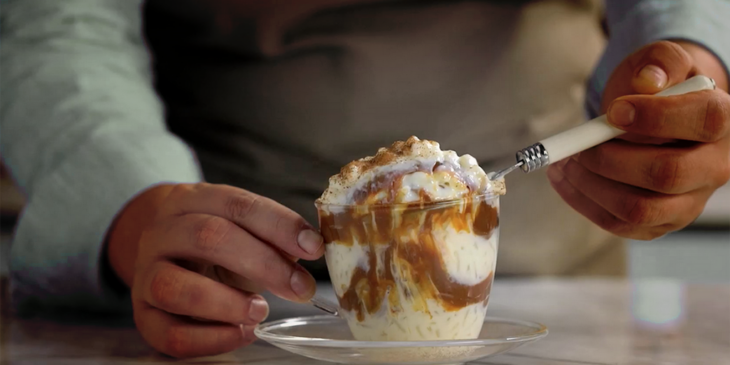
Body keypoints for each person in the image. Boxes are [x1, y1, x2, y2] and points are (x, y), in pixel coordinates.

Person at [1, 0, 728, 358]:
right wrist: (136, 203)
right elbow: (59, 26)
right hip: (229, 302)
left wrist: (691, 60)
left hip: (564, 280)